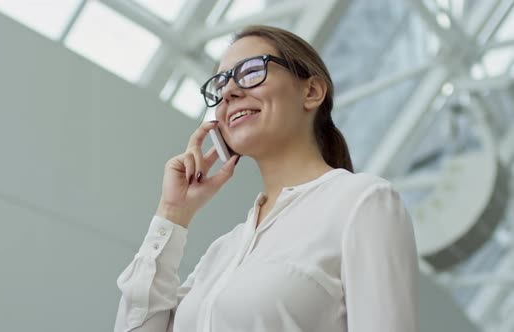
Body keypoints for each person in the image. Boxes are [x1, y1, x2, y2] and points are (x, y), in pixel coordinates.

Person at [113, 25, 419, 332]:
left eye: (250, 71)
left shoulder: (362, 202)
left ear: (311, 92)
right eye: (219, 85)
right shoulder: (223, 251)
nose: (229, 92)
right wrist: (173, 213)